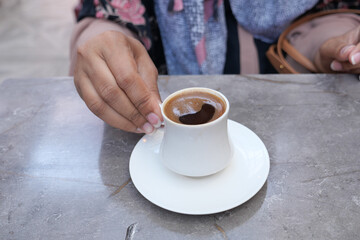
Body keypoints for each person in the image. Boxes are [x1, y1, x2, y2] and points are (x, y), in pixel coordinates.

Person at [69, 0, 360, 134]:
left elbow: (331, 12)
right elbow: (112, 14)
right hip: (163, 123)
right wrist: (101, 44)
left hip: (301, 127)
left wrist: (334, 49)